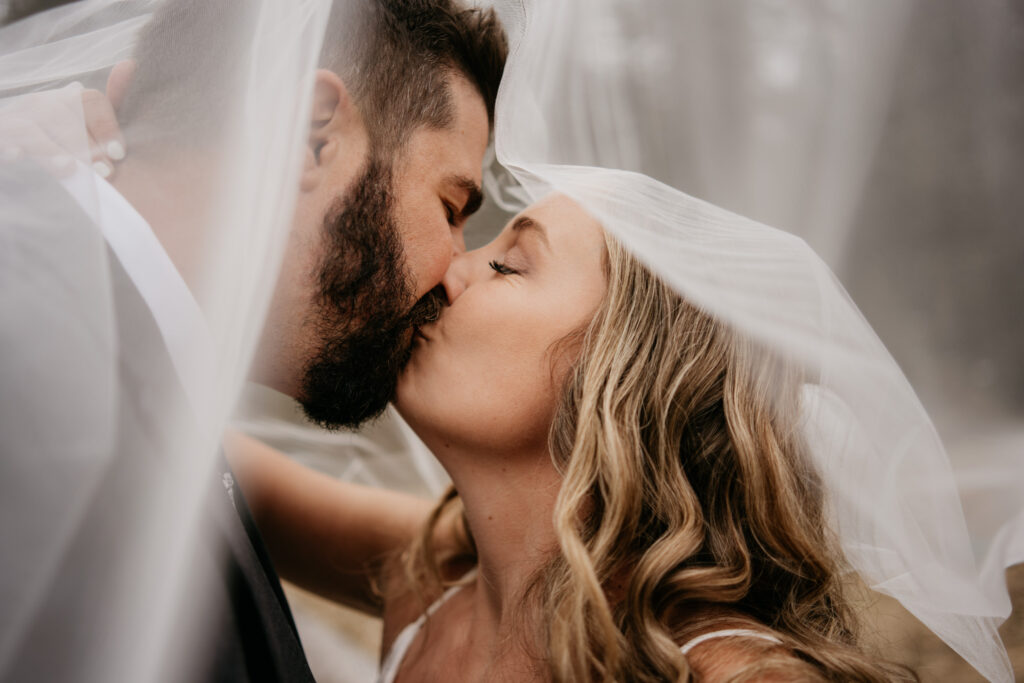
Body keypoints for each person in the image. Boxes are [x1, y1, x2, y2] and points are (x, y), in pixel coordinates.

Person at [0, 1, 505, 681]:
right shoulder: (33, 380)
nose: (454, 270)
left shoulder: (135, 381)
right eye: (449, 208)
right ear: (311, 135)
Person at [226, 193, 916, 682]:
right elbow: (202, 468)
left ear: (620, 378)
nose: (449, 270)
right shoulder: (430, 578)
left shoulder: (731, 675)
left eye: (508, 263)